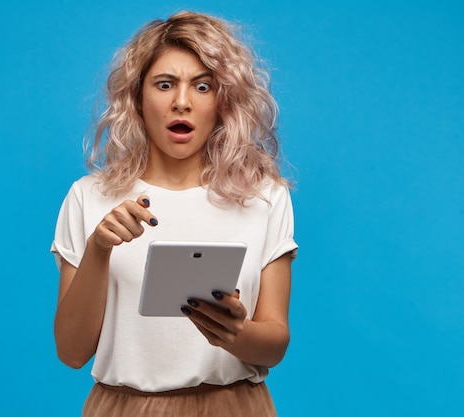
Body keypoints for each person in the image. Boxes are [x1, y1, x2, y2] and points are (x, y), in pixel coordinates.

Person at [51, 10, 298, 417]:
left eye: (202, 86)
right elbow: (72, 352)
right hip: (122, 406)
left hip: (236, 406)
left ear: (223, 101)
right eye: (165, 85)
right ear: (137, 97)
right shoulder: (88, 197)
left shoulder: (264, 198)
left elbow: (275, 345)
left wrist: (236, 332)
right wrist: (98, 248)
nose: (181, 102)